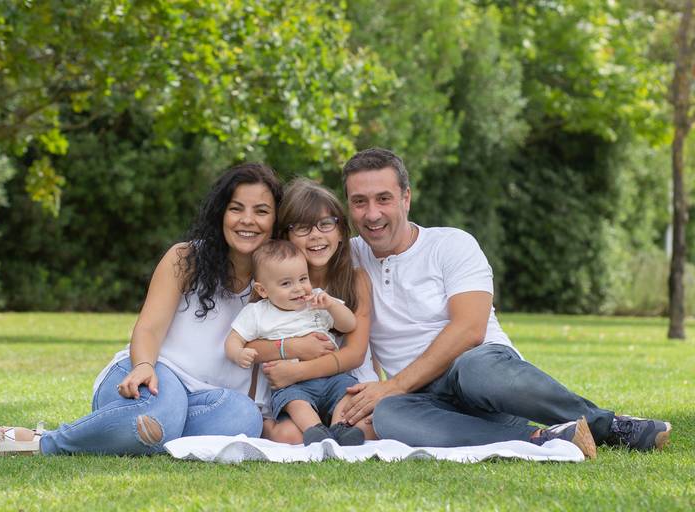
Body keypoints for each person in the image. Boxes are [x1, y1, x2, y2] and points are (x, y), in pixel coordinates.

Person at [339, 147, 672, 458]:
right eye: (359, 202)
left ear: (406, 198)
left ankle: (607, 425)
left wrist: (394, 384)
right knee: (387, 414)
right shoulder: (347, 258)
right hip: (425, 404)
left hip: (486, 381)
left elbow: (469, 330)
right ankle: (539, 439)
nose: (372, 214)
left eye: (384, 198)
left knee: (474, 369)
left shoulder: (450, 244)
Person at [0, 162, 284, 456]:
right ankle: (44, 443)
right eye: (236, 208)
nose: (247, 220)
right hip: (147, 375)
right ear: (221, 214)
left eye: (261, 211)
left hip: (205, 401)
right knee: (164, 407)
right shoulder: (186, 258)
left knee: (245, 418)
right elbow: (148, 328)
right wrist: (144, 365)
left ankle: (143, 435)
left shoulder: (279, 286)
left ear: (276, 221)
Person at [248, 178, 380, 445]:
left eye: (326, 223)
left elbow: (355, 354)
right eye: (302, 227)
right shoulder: (274, 284)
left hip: (344, 382)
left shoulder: (355, 279)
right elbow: (250, 347)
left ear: (341, 232)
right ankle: (278, 428)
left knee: (368, 430)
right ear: (285, 236)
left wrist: (297, 371)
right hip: (293, 390)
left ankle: (336, 427)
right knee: (290, 436)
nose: (316, 235)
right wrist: (296, 348)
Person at [225, 239, 365, 446]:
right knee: (295, 402)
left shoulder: (316, 300)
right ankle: (315, 430)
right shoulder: (258, 312)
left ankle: (341, 428)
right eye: (286, 283)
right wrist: (238, 353)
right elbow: (234, 339)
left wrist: (332, 306)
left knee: (346, 390)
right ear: (263, 290)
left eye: (303, 279)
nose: (298, 288)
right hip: (291, 383)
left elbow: (349, 324)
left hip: (330, 376)